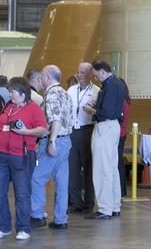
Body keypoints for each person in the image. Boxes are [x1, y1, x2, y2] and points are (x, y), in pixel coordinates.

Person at [0, 77, 48, 240]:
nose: (10, 94)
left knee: (22, 193)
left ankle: (23, 228)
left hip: (21, 155)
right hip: (1, 155)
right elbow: (0, 122)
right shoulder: (8, 106)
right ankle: (4, 226)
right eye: (9, 91)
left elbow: (42, 129)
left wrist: (26, 132)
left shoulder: (33, 109)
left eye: (12, 91)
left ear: (23, 93)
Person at [30, 65, 73, 230]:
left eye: (41, 76)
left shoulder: (52, 95)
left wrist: (52, 140)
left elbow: (55, 119)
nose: (40, 79)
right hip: (66, 141)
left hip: (53, 141)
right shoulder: (65, 94)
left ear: (47, 77)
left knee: (37, 178)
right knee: (62, 181)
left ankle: (37, 215)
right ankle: (61, 219)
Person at [84, 61, 127, 219]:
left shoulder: (109, 86)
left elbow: (107, 112)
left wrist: (92, 110)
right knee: (112, 168)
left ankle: (104, 209)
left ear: (102, 72)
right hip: (113, 127)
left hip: (105, 127)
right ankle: (114, 206)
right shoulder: (117, 83)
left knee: (102, 169)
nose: (95, 78)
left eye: (96, 75)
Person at [67, 62, 97, 212]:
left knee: (89, 168)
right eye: (77, 72)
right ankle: (75, 202)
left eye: (82, 73)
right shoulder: (71, 90)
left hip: (88, 131)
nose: (78, 75)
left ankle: (89, 203)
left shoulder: (97, 91)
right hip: (72, 131)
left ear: (90, 74)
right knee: (72, 168)